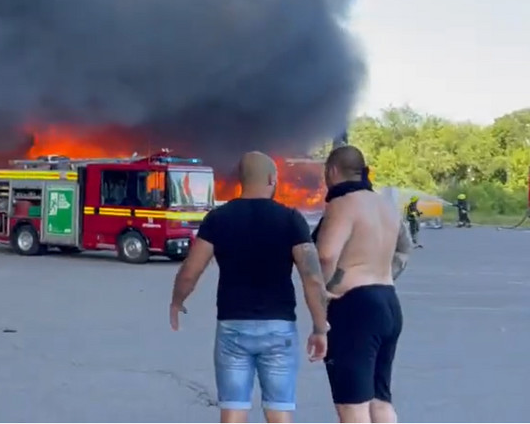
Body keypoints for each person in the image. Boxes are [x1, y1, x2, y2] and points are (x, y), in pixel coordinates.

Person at [170, 152, 329, 424]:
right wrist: (319, 327)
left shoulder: (218, 219)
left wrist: (177, 300)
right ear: (271, 178)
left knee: (233, 411)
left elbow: (191, 270)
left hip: (233, 326)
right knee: (280, 411)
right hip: (279, 327)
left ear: (241, 181)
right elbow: (312, 277)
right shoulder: (290, 219)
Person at [314, 145, 414, 424]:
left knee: (352, 407)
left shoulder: (342, 204)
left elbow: (326, 254)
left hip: (355, 309)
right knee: (380, 401)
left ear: (332, 171)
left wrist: (325, 290)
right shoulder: (385, 205)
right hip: (388, 301)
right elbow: (403, 251)